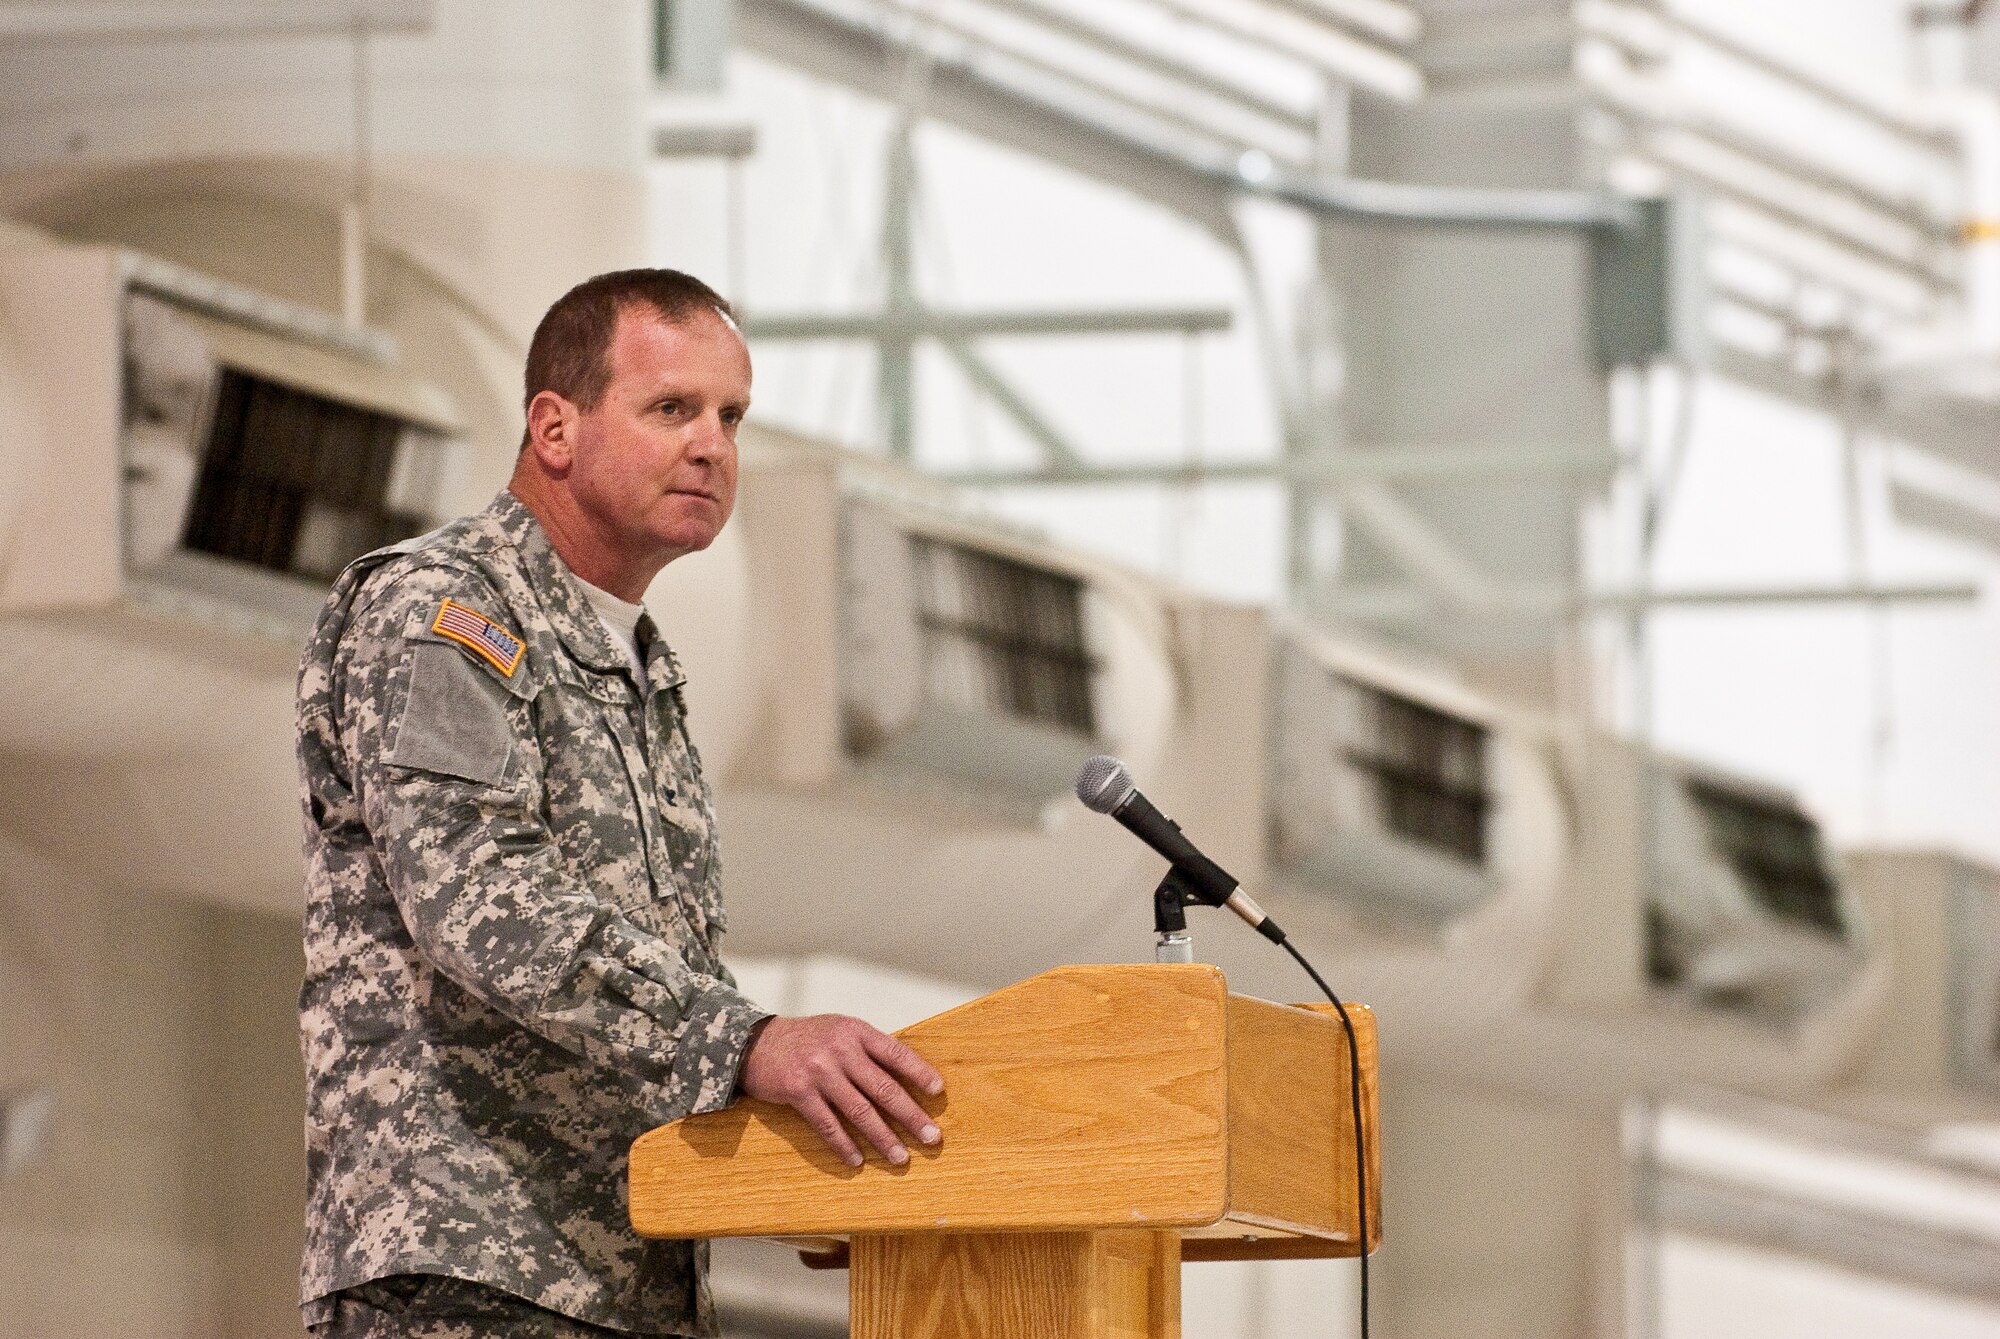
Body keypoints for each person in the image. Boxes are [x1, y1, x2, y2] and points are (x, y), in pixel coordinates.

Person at [296, 269, 943, 1339]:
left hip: (629, 1274)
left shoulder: (640, 663)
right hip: (467, 1275)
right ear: (554, 427)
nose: (712, 445)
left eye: (731, 415)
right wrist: (747, 1043)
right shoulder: (444, 609)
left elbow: (662, 962)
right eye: (670, 408)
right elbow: (479, 896)